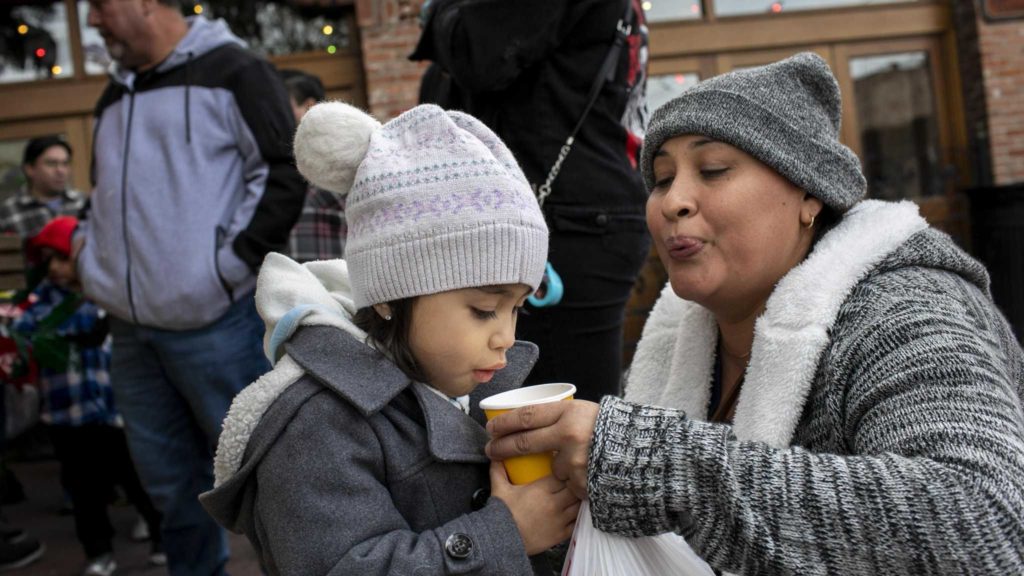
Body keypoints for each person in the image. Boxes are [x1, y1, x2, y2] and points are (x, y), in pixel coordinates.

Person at [485, 52, 1024, 575]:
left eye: (714, 169)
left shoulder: (903, 313)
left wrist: (650, 464)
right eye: (663, 178)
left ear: (810, 193)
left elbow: (988, 525)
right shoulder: (681, 341)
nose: (674, 201)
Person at [200, 102, 579, 575]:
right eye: (484, 310)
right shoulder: (316, 426)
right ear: (388, 298)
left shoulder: (464, 386)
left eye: (517, 308)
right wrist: (506, 534)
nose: (506, 336)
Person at [78, 2, 306, 574]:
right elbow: (104, 194)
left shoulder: (236, 70)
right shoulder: (114, 94)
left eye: (99, 6)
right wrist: (90, 259)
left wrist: (224, 270)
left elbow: (284, 170)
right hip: (131, 331)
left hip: (215, 322)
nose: (91, 22)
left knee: (260, 482)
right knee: (168, 490)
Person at [410, 0, 651, 402]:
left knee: (553, 419)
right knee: (547, 411)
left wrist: (437, 11)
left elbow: (479, 52)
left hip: (565, 220)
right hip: (576, 212)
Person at [14, 216, 164, 576]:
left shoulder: (107, 296)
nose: (54, 268)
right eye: (47, 260)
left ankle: (161, 535)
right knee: (83, 490)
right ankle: (98, 551)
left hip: (114, 411)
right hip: (67, 414)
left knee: (136, 478)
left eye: (62, 258)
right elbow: (23, 328)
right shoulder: (41, 302)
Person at [278, 69, 347, 263]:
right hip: (288, 284)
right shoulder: (275, 161)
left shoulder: (345, 153)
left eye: (281, 106)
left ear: (309, 107)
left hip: (339, 286)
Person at [0, 136, 86, 263]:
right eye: (51, 163)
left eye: (65, 163)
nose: (60, 170)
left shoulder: (83, 203)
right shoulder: (8, 212)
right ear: (30, 169)